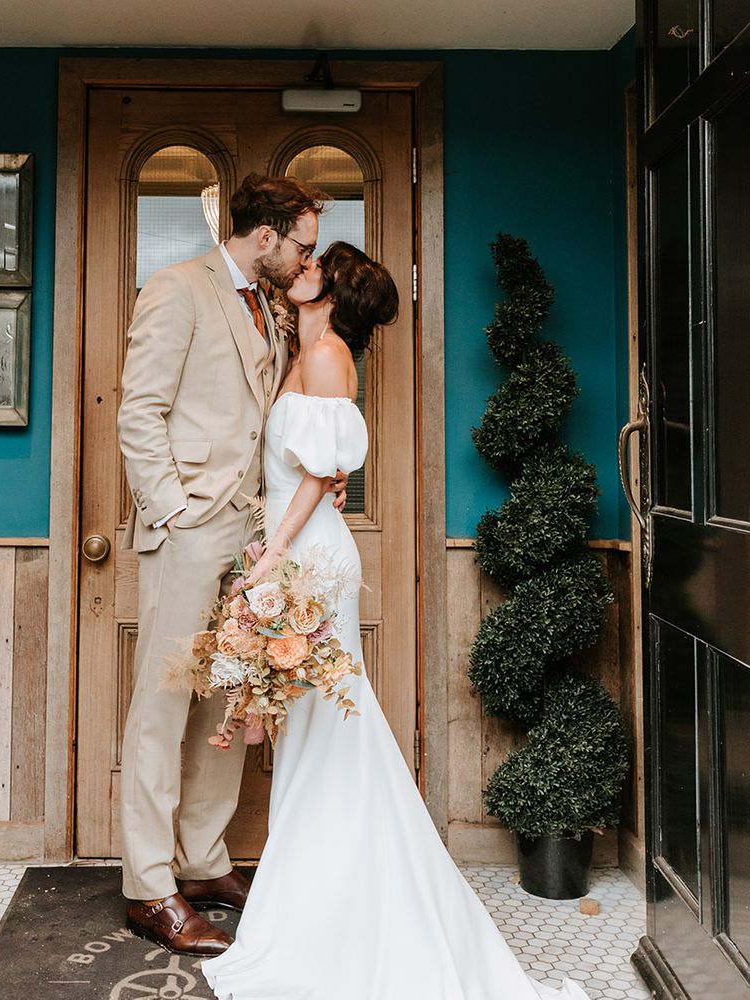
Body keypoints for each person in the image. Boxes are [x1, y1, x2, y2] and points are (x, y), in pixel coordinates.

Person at [200, 242, 590, 999]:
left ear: (335, 293)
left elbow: (319, 470)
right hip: (298, 543)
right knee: (318, 731)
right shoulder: (308, 348)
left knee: (327, 731)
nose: (303, 267)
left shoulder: (326, 357)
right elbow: (321, 462)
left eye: (318, 266)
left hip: (308, 558)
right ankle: (324, 900)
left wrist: (275, 551)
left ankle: (344, 912)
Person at [117, 173, 347, 956]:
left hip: (252, 535)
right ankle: (149, 887)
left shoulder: (271, 306)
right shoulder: (179, 288)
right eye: (303, 243)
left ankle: (205, 861)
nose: (306, 257)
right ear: (266, 234)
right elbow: (139, 409)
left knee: (225, 701)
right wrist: (172, 510)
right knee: (161, 705)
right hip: (188, 531)